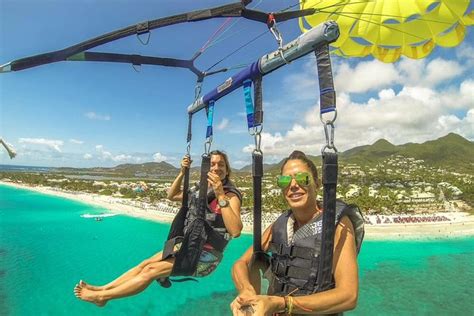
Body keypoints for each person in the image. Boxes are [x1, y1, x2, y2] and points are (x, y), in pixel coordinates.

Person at [74, 150, 243, 306]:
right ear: (206, 169)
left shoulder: (230, 195)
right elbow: (172, 195)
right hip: (187, 246)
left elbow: (235, 230)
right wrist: (182, 172)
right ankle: (103, 289)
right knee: (144, 264)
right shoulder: (201, 190)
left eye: (221, 164)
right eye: (212, 164)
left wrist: (220, 193)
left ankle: (103, 298)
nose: (216, 167)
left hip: (205, 257)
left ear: (227, 170)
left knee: (150, 270)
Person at [230, 150, 364, 315]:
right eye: (285, 180)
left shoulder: (337, 225)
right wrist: (246, 290)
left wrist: (281, 303)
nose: (293, 185)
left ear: (317, 183)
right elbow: (240, 264)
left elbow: (349, 296)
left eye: (303, 178)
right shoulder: (279, 225)